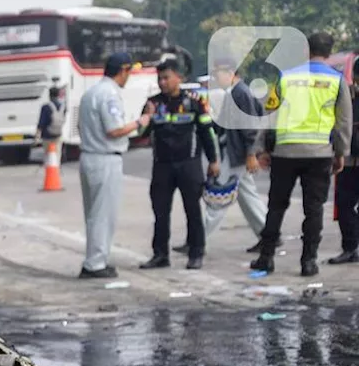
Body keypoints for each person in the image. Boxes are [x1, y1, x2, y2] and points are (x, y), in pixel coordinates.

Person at [252, 32, 354, 277]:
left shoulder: (286, 77)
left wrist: (261, 148)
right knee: (314, 209)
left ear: (306, 50)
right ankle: (308, 262)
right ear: (329, 53)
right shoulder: (337, 80)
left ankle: (266, 258)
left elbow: (270, 113)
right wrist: (341, 153)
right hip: (319, 153)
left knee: (276, 206)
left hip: (285, 152)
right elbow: (343, 122)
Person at [77, 52, 154, 279]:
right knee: (103, 215)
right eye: (129, 71)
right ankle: (95, 264)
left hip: (89, 155)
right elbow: (114, 130)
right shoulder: (109, 95)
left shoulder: (90, 93)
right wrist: (141, 121)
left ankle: (94, 259)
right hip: (105, 158)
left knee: (93, 214)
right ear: (123, 70)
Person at [139, 59, 221, 270]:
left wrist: (213, 160)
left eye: (166, 78)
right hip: (162, 165)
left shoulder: (195, 101)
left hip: (189, 164)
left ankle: (196, 253)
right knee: (160, 212)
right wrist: (146, 117)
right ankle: (160, 255)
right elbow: (141, 134)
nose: (162, 82)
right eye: (159, 78)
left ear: (179, 78)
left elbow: (206, 132)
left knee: (193, 211)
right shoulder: (153, 103)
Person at [183, 61, 268, 254]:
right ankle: (268, 235)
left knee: (218, 198)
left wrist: (251, 154)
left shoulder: (240, 93)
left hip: (238, 154)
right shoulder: (235, 93)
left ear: (230, 72)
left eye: (217, 74)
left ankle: (197, 239)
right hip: (235, 152)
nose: (215, 79)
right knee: (248, 198)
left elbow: (250, 127)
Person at [328, 58, 359, 265]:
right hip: (348, 159)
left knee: (345, 203)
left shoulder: (348, 94)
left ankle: (350, 248)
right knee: (345, 204)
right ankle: (350, 247)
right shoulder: (348, 94)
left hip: (348, 160)